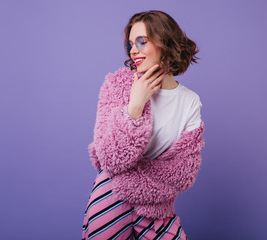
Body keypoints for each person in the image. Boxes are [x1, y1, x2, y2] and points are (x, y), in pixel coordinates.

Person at [82, 10, 205, 240]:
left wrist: (132, 177)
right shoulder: (118, 85)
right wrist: (135, 105)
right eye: (130, 44)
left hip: (156, 207)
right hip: (111, 198)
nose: (134, 50)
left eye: (142, 41)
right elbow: (109, 157)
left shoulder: (190, 102)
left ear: (165, 42)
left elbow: (184, 173)